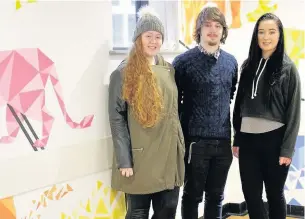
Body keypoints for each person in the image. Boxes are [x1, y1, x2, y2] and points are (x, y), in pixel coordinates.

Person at [108, 6, 185, 219]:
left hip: (167, 154)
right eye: (148, 36)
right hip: (139, 156)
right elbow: (117, 118)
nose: (154, 41)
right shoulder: (123, 72)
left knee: (168, 210)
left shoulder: (169, 69)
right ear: (138, 39)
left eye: (158, 36)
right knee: (137, 213)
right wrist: (124, 160)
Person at [232, 13, 301, 219]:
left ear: (280, 35)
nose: (266, 37)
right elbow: (239, 106)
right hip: (248, 143)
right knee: (252, 196)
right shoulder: (247, 66)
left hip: (274, 141)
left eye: (272, 32)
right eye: (261, 32)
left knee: (274, 195)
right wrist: (238, 138)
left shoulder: (288, 69)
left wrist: (287, 149)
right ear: (256, 36)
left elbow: (294, 113)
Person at [172, 6, 238, 219]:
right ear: (199, 29)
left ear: (223, 31)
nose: (213, 30)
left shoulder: (231, 62)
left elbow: (229, 95)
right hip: (195, 143)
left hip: (222, 143)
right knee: (192, 197)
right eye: (207, 25)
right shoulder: (183, 62)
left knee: (216, 197)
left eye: (217, 26)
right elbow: (175, 103)